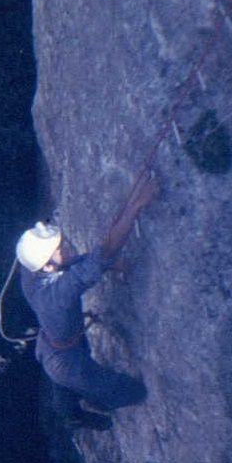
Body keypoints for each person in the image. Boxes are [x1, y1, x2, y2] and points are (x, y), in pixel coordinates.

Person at [16, 173, 159, 431]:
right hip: (67, 363)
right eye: (60, 248)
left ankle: (74, 407)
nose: (67, 246)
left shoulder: (32, 268)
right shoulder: (57, 294)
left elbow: (70, 264)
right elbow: (102, 254)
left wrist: (111, 265)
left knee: (65, 386)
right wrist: (136, 206)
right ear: (47, 266)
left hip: (54, 348)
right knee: (134, 391)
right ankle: (85, 412)